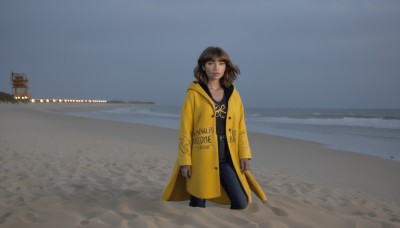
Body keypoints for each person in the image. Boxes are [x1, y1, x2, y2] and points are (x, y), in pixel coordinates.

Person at [161, 46, 267, 209]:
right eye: (211, 63)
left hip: (227, 156)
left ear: (226, 66)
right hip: (201, 157)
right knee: (198, 204)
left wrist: (245, 154)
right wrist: (185, 161)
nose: (216, 67)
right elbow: (185, 130)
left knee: (241, 202)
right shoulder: (194, 94)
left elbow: (241, 127)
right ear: (203, 66)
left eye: (221, 63)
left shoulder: (233, 94)